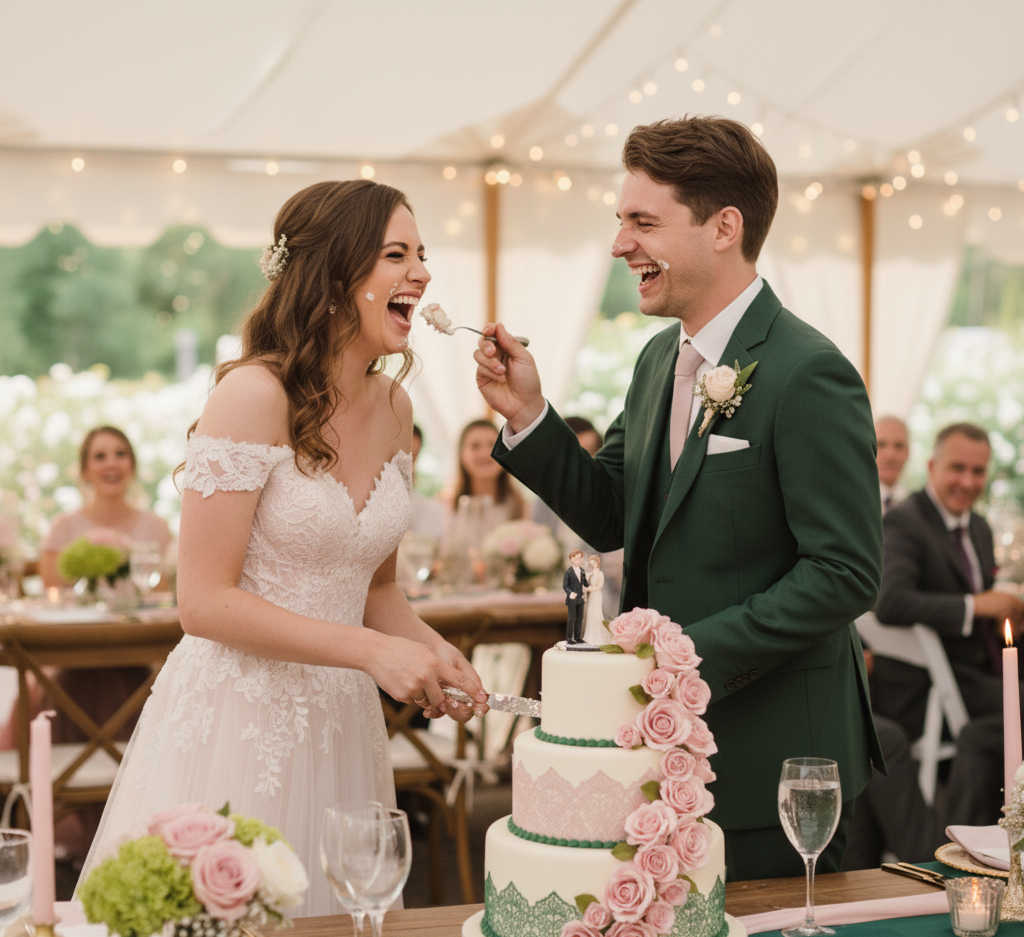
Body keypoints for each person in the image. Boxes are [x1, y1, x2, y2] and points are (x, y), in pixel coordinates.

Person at [473, 116, 883, 880]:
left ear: (724, 227)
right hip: (662, 754)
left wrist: (687, 656)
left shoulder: (808, 372)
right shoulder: (661, 358)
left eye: (643, 221)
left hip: (772, 763)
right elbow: (610, 511)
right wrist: (528, 415)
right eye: (620, 220)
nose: (620, 244)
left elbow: (845, 572)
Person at [77, 180, 488, 916]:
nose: (422, 274)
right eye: (396, 254)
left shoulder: (396, 408)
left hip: (342, 721)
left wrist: (433, 647)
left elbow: (379, 589)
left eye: (422, 254)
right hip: (239, 715)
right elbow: (201, 602)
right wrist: (369, 652)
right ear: (333, 275)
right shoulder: (252, 395)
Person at [874, 422, 1024, 739]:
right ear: (932, 466)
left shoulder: (980, 527)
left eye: (978, 471)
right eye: (957, 468)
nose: (968, 482)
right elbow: (891, 602)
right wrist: (977, 606)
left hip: (985, 664)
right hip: (935, 682)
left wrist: (1001, 618)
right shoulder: (904, 522)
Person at [534, 417, 623, 616]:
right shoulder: (544, 501)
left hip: (604, 597)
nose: (587, 461)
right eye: (578, 454)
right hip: (551, 597)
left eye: (593, 451)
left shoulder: (614, 496)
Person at [876, 415, 910, 513]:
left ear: (908, 453)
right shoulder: (850, 501)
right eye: (881, 444)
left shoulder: (918, 508)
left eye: (898, 446)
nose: (890, 455)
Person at [581, 554, 612, 646]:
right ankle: (590, 635)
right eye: (591, 562)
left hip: (597, 594)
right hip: (592, 595)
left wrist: (591, 589)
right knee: (590, 613)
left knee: (596, 612)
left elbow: (599, 585)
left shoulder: (600, 573)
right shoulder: (591, 573)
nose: (592, 563)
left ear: (598, 563)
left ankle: (597, 634)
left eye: (593, 562)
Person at [562, 548, 588, 645]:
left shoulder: (582, 571)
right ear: (571, 559)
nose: (579, 560)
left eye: (580, 558)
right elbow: (565, 586)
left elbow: (585, 583)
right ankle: (569, 638)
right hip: (572, 599)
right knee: (571, 619)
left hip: (580, 599)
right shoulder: (568, 572)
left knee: (579, 618)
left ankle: (577, 637)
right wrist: (570, 593)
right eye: (577, 558)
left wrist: (590, 581)